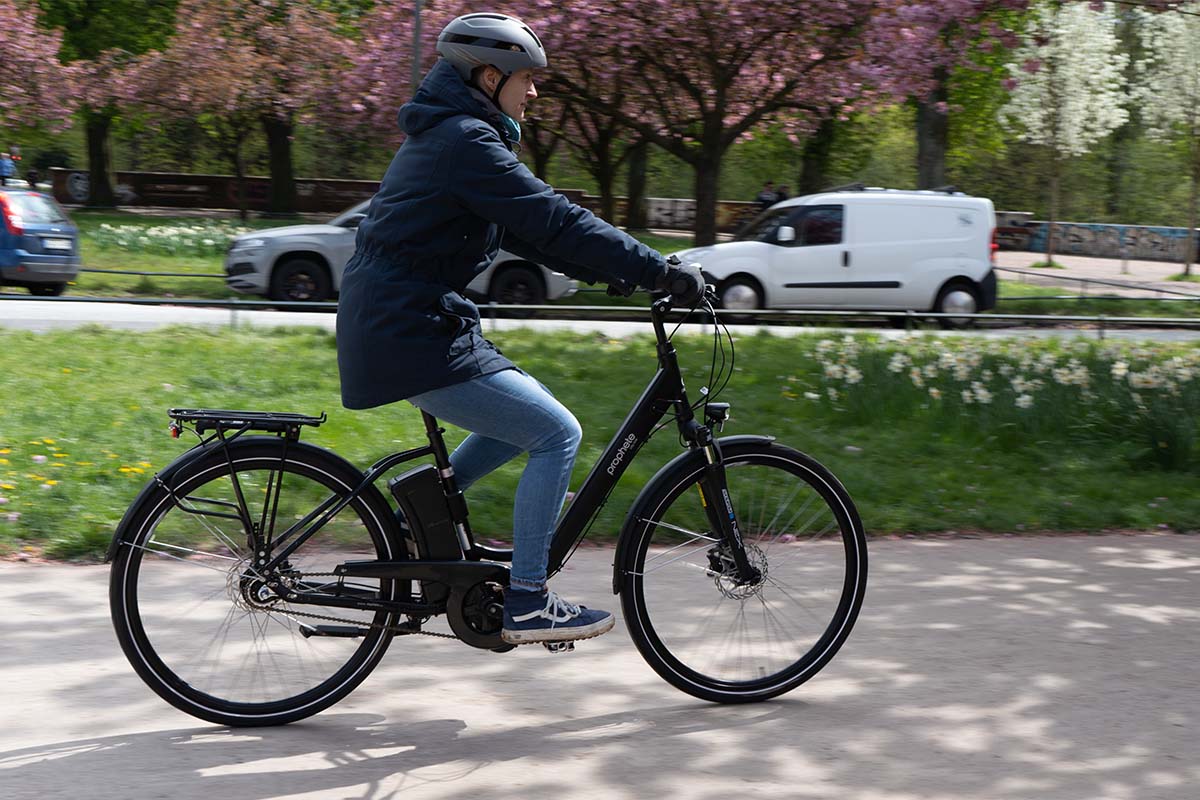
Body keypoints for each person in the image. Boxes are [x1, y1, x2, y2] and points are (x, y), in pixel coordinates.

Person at [336, 12, 703, 646]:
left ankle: (416, 510)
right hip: (408, 329)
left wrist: (626, 275)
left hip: (409, 322)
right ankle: (528, 601)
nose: (534, 92)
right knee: (557, 433)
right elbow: (555, 219)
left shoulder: (459, 138)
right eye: (526, 79)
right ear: (488, 75)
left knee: (519, 424)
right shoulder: (464, 142)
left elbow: (537, 237)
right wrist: (659, 271)